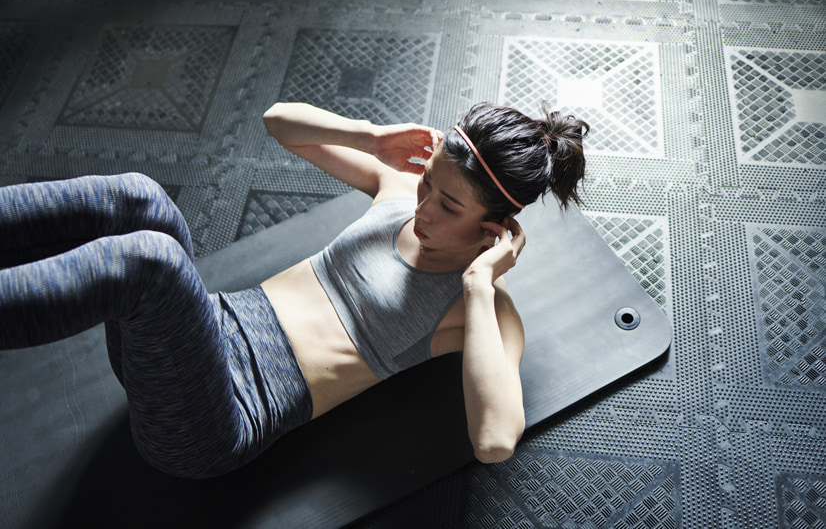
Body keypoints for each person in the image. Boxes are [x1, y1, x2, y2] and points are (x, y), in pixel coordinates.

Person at [0, 101, 588, 479]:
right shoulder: (398, 192)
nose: (423, 207)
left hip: (214, 419)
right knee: (138, 197)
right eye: (428, 182)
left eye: (449, 206)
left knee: (151, 264)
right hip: (190, 345)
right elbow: (278, 121)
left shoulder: (480, 309)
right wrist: (370, 138)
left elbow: (495, 441)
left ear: (494, 229)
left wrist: (480, 283)